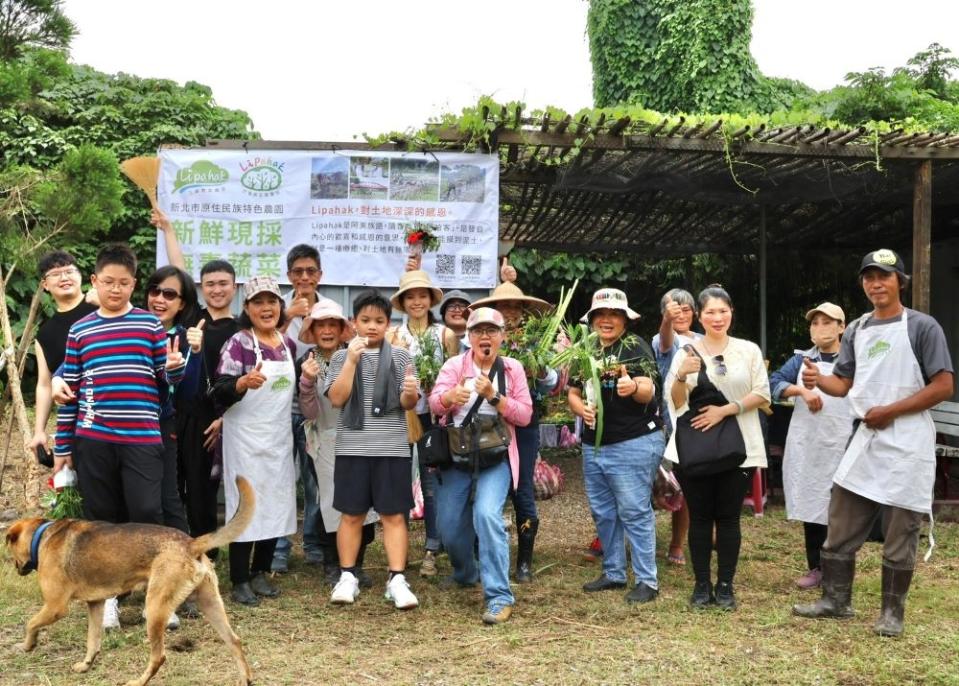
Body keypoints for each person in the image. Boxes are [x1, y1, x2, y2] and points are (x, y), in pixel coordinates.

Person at [793, 249, 954, 637]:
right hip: (866, 435)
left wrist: (892, 411)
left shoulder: (922, 327)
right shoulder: (859, 328)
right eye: (869, 277)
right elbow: (844, 384)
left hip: (907, 437)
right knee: (842, 516)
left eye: (884, 276)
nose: (876, 283)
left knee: (901, 526)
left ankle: (891, 614)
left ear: (900, 281)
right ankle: (836, 600)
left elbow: (944, 386)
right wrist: (818, 380)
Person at [53, 243, 186, 627]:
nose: (115, 289)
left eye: (124, 283)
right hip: (93, 438)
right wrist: (63, 445)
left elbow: (168, 378)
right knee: (101, 521)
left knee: (147, 514)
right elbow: (69, 392)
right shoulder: (80, 330)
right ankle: (108, 598)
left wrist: (174, 368)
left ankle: (159, 600)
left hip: (142, 438)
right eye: (108, 282)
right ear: (94, 282)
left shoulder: (149, 326)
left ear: (134, 283)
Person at [665, 285, 770, 610]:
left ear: (731, 313)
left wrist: (725, 410)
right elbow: (675, 401)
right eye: (710, 311)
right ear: (700, 315)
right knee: (699, 518)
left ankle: (725, 586)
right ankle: (701, 586)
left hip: (739, 447)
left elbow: (762, 394)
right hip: (696, 449)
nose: (717, 317)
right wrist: (681, 376)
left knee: (728, 518)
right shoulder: (686, 351)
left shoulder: (748, 350)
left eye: (723, 311)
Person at [428, 307, 533, 624]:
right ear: (468, 337)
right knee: (448, 528)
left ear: (502, 336)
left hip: (495, 457)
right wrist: (449, 397)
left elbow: (525, 415)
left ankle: (499, 597)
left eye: (491, 331)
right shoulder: (454, 365)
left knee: (487, 516)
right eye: (477, 331)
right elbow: (433, 402)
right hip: (457, 456)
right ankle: (465, 573)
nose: (484, 337)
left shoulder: (512, 369)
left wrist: (495, 396)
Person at [324, 290, 420, 610]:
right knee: (351, 515)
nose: (372, 327)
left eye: (379, 321)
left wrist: (410, 394)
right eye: (365, 320)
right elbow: (337, 399)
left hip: (392, 448)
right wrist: (351, 359)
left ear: (388, 323)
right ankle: (347, 575)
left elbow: (407, 404)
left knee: (393, 516)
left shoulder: (402, 357)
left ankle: (397, 579)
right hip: (352, 447)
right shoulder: (340, 357)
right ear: (353, 323)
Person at [567, 288, 664, 604]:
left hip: (633, 440)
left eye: (614, 315)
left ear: (625, 319)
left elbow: (650, 390)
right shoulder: (585, 348)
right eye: (601, 314)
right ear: (592, 319)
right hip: (594, 445)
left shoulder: (636, 347)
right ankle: (614, 572)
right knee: (604, 511)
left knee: (634, 510)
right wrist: (579, 408)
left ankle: (647, 580)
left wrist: (632, 385)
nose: (606, 320)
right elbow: (572, 391)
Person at [152, 209, 240, 558]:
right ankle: (172, 552)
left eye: (223, 284)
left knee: (204, 490)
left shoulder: (242, 328)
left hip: (212, 419)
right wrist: (168, 228)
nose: (216, 290)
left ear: (234, 288)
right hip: (178, 413)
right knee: (172, 486)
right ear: (200, 290)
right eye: (210, 284)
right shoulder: (192, 318)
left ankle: (204, 554)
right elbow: (180, 270)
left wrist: (224, 418)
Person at [213, 276, 298, 606]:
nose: (267, 308)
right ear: (246, 308)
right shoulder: (238, 343)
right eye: (259, 302)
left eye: (272, 301)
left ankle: (261, 570)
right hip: (244, 439)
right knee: (244, 504)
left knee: (275, 501)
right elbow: (217, 390)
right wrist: (241, 383)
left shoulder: (286, 344)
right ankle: (239, 578)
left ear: (280, 306)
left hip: (277, 436)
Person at [470, 276, 558, 583]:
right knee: (481, 486)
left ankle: (524, 562)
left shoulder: (536, 342)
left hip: (522, 423)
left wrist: (542, 370)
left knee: (521, 489)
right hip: (485, 424)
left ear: (522, 310)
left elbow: (553, 382)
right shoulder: (482, 339)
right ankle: (482, 556)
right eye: (502, 307)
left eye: (514, 307)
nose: (509, 312)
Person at [769, 302, 850, 589]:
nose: (820, 328)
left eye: (827, 322)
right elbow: (773, 382)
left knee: (841, 506)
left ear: (842, 327)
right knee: (812, 500)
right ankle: (816, 566)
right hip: (810, 441)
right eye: (815, 323)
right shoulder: (801, 360)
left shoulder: (852, 359)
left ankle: (839, 566)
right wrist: (800, 390)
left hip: (843, 440)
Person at [297, 300, 378, 588]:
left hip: (360, 437)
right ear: (313, 330)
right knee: (332, 506)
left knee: (366, 506)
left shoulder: (356, 356)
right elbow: (309, 411)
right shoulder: (307, 362)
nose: (328, 331)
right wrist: (307, 381)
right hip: (326, 440)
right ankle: (333, 564)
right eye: (321, 325)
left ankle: (358, 564)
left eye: (333, 324)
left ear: (343, 329)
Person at [388, 269, 459, 577]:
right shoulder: (393, 335)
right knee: (400, 484)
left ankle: (432, 546)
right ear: (402, 302)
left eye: (422, 295)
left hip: (433, 418)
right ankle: (399, 551)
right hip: (401, 417)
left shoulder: (445, 335)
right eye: (410, 296)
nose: (416, 301)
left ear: (430, 299)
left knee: (432, 485)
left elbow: (454, 374)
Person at [272, 244, 328, 572]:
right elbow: (264, 348)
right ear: (289, 276)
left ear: (320, 275)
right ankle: (279, 548)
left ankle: (313, 543)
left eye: (310, 271)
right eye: (298, 272)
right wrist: (289, 316)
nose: (304, 277)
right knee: (282, 478)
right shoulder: (275, 309)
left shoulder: (330, 310)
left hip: (314, 408)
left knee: (314, 480)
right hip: (279, 408)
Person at [143, 265, 203, 538]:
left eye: (169, 294)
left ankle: (187, 561)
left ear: (182, 304)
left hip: (164, 427)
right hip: (123, 428)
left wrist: (196, 352)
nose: (159, 299)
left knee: (168, 498)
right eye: (155, 291)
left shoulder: (185, 338)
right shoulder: (130, 327)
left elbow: (188, 394)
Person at [27, 251, 97, 457]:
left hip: (115, 407)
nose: (64, 277)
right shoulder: (45, 334)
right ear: (45, 285)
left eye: (69, 271)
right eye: (56, 274)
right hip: (77, 420)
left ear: (81, 276)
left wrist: (102, 301)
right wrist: (39, 431)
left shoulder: (101, 307)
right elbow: (44, 383)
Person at [651, 288, 701, 567]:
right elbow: (666, 342)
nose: (680, 313)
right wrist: (668, 321)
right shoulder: (661, 338)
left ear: (695, 313)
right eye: (673, 309)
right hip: (662, 425)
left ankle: (677, 543)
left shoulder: (707, 341)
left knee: (688, 487)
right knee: (645, 485)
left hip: (695, 424)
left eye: (685, 309)